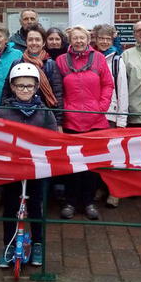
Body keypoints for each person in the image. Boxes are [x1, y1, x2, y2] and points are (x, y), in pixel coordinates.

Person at [0, 63, 58, 269]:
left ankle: (38, 243)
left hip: (36, 168)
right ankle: (10, 244)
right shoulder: (4, 111)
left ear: (36, 87)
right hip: (13, 168)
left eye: (29, 86)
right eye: (20, 86)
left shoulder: (44, 112)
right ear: (12, 87)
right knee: (11, 206)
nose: (24, 90)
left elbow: (52, 137)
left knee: (36, 207)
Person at [55, 25, 114, 220]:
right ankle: (70, 202)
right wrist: (65, 112)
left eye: (82, 38)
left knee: (92, 166)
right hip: (71, 121)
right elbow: (58, 89)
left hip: (96, 121)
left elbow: (107, 84)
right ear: (69, 41)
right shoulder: (62, 61)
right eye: (75, 38)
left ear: (88, 40)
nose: (79, 41)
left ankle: (89, 202)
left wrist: (101, 107)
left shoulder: (97, 58)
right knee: (72, 165)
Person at [92, 24, 129, 208]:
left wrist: (122, 120)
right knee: (98, 156)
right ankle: (100, 187)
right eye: (101, 38)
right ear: (96, 40)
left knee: (113, 156)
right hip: (94, 115)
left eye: (108, 38)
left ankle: (114, 191)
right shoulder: (91, 58)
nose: (104, 41)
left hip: (111, 115)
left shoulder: (116, 61)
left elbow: (122, 91)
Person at [1, 23, 64, 127]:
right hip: (17, 117)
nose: (34, 43)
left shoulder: (51, 65)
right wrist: (3, 112)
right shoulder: (17, 63)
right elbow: (6, 91)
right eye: (30, 40)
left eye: (37, 40)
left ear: (43, 42)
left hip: (43, 118)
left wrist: (59, 123)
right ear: (26, 42)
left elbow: (58, 96)